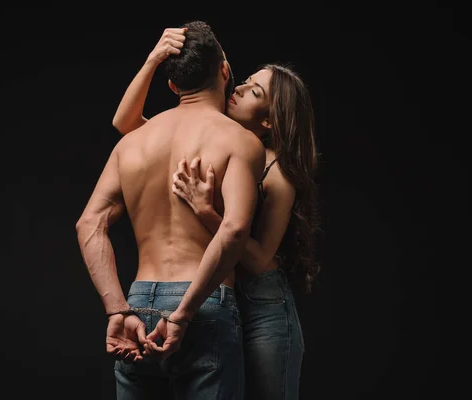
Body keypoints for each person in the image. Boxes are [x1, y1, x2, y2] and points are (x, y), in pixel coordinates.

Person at [112, 27, 321, 400]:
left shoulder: (277, 174)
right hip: (220, 297)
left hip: (263, 307)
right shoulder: (223, 144)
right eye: (246, 81)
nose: (238, 89)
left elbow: (259, 261)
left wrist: (208, 212)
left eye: (254, 92)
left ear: (270, 121)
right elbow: (127, 126)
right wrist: (153, 60)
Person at [76, 20, 266, 400]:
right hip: (203, 303)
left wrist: (117, 310)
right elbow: (233, 230)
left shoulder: (132, 143)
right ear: (224, 72)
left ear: (173, 86)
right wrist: (183, 313)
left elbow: (89, 223)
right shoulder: (240, 142)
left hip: (138, 305)